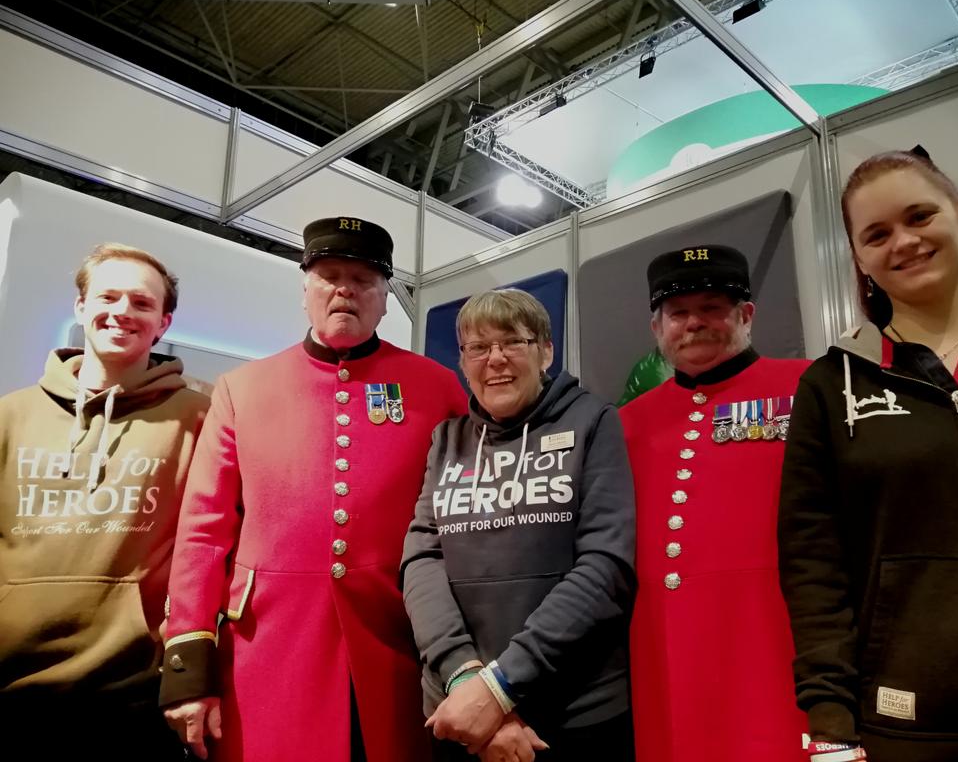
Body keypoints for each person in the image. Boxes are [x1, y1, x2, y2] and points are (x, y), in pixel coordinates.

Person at [159, 217, 467, 762]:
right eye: (329, 275)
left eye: (363, 280)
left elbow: (465, 516)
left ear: (385, 299)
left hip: (396, 643)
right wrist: (189, 665)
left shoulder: (435, 386)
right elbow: (204, 529)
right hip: (267, 647)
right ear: (305, 289)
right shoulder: (241, 389)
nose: (345, 289)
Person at [778, 148, 958, 761]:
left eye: (920, 216)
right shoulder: (829, 385)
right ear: (859, 257)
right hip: (908, 725)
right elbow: (814, 566)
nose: (904, 242)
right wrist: (831, 724)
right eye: (878, 234)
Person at [401, 289, 636, 762]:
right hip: (459, 707)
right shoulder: (447, 440)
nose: (496, 360)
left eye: (512, 342)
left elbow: (605, 566)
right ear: (464, 361)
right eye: (478, 348)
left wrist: (502, 686)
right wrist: (467, 678)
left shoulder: (594, 421)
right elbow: (421, 561)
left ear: (546, 350)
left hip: (572, 711)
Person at [0, 244, 209, 759]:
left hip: (133, 700)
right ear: (80, 308)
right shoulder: (11, 415)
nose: (121, 312)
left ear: (163, 322)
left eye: (141, 303)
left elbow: (211, 543)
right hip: (9, 691)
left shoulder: (198, 417)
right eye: (107, 297)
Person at [620, 245, 810, 762]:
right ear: (657, 328)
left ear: (746, 316)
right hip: (666, 653)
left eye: (712, 308)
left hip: (776, 641)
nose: (694, 324)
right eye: (678, 313)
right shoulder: (627, 423)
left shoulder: (806, 386)